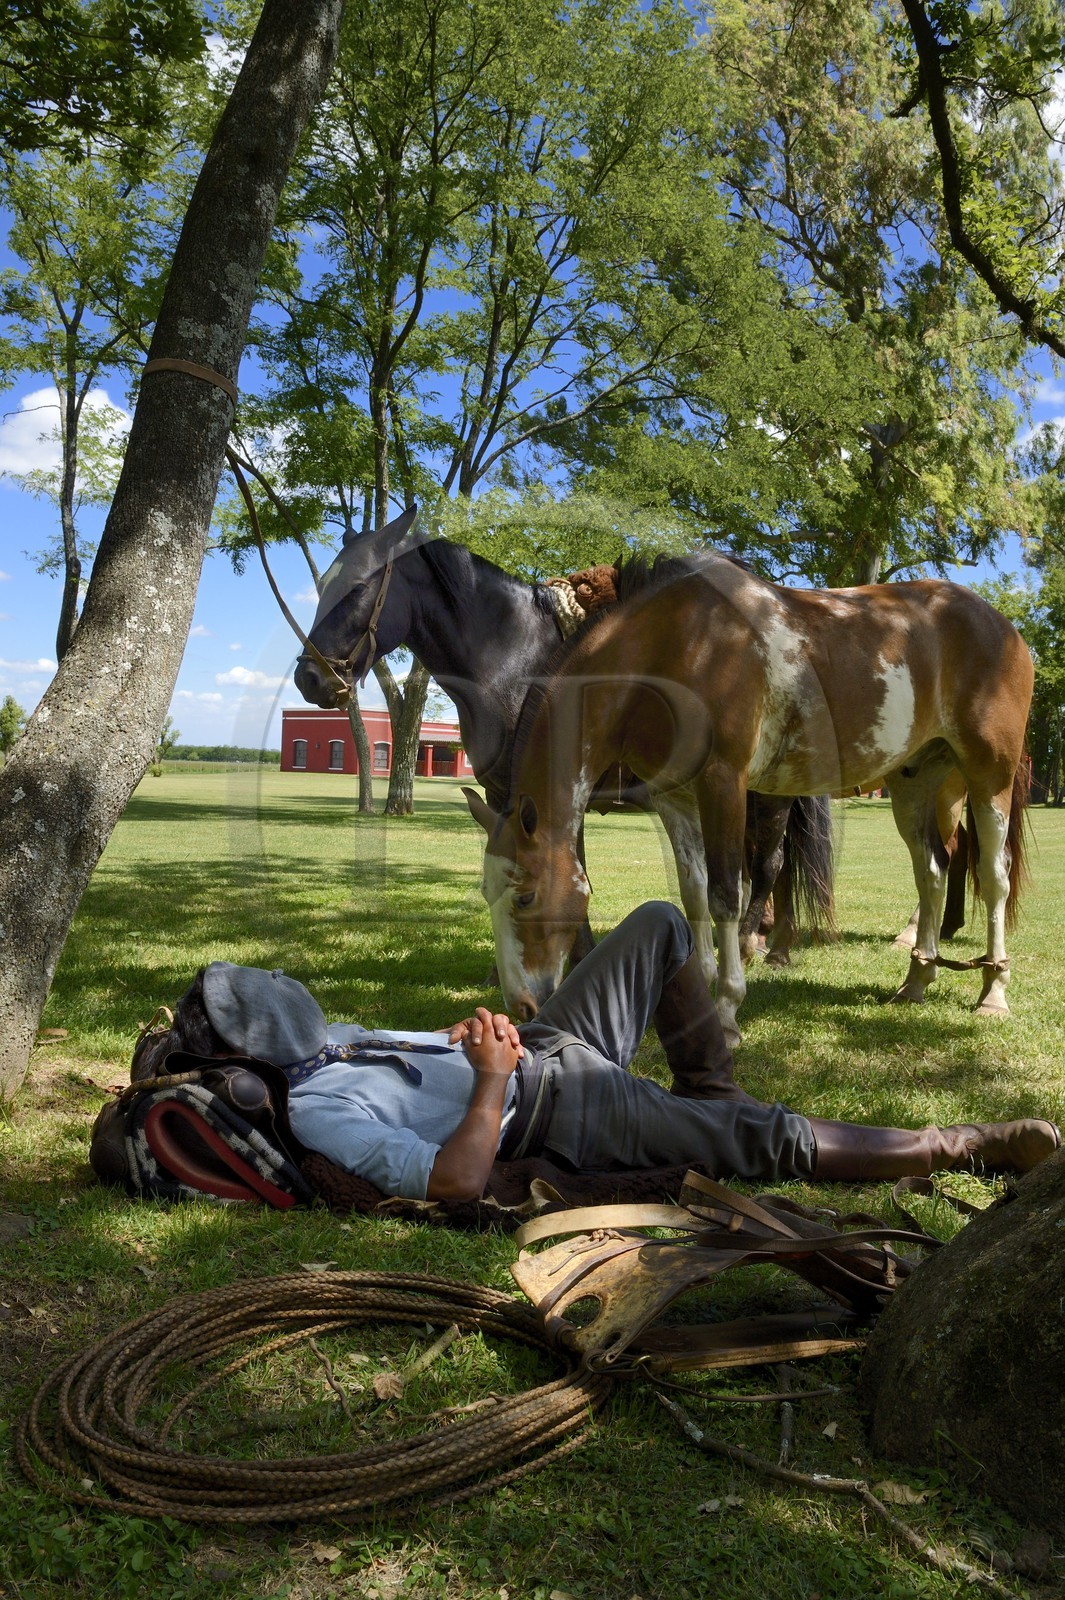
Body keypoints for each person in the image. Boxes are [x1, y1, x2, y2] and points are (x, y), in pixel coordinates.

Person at [137, 902, 1060, 1202]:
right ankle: (960, 1144)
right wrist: (492, 1082)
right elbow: (454, 1181)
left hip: (546, 1050)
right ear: (247, 1067)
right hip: (554, 1107)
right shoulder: (316, 1108)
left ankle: (711, 1094)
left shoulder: (326, 1048)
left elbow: (421, 1059)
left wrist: (467, 1038)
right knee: (771, 1139)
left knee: (659, 925)